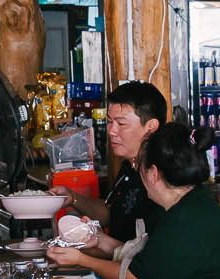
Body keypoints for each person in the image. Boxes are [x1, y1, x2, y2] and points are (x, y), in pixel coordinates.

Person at [45, 124, 220, 279]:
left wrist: (81, 259)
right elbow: (152, 260)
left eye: (140, 167)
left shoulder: (189, 217)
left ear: (154, 173)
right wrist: (101, 241)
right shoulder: (187, 204)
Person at [52, 79, 166, 251]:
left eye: (121, 123)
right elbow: (112, 212)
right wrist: (72, 198)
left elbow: (148, 255)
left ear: (151, 126)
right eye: (110, 122)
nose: (111, 131)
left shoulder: (161, 175)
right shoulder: (130, 165)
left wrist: (87, 254)